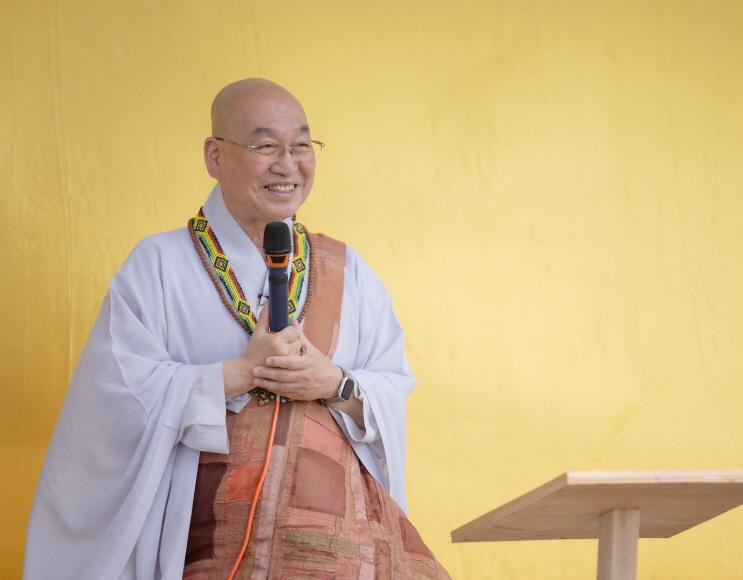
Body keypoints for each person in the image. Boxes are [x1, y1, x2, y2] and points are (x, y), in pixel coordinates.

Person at [25, 78, 448, 579]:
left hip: (332, 546)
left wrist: (335, 384)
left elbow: (392, 387)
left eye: (301, 146)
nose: (287, 165)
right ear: (215, 155)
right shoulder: (159, 264)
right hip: (201, 540)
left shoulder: (348, 269)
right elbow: (111, 407)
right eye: (265, 146)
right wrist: (240, 373)